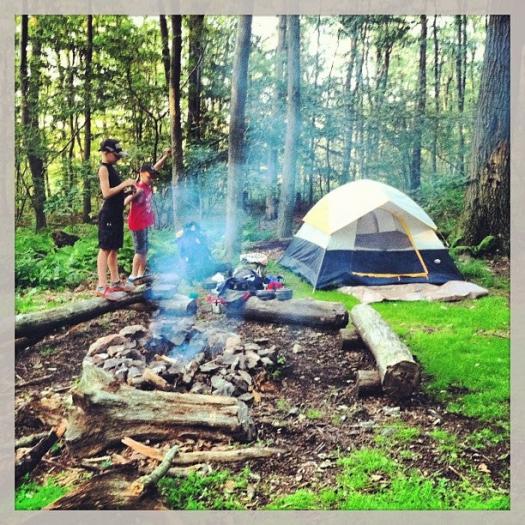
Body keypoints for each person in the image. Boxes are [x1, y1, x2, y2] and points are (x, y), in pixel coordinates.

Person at [95, 138, 136, 300]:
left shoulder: (112, 168)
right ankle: (101, 286)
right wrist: (124, 184)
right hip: (108, 215)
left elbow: (117, 194)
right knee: (105, 248)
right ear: (106, 152)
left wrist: (129, 192)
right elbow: (106, 193)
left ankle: (115, 281)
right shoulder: (103, 169)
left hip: (117, 213)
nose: (118, 158)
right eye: (116, 155)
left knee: (114, 249)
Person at [125, 148, 171, 284]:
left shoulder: (147, 183)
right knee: (140, 250)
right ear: (141, 174)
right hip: (137, 223)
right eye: (149, 176)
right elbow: (125, 201)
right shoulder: (138, 188)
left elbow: (155, 168)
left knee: (144, 250)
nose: (151, 179)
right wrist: (133, 194)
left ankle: (141, 274)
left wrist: (165, 156)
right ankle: (133, 277)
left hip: (144, 223)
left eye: (152, 177)